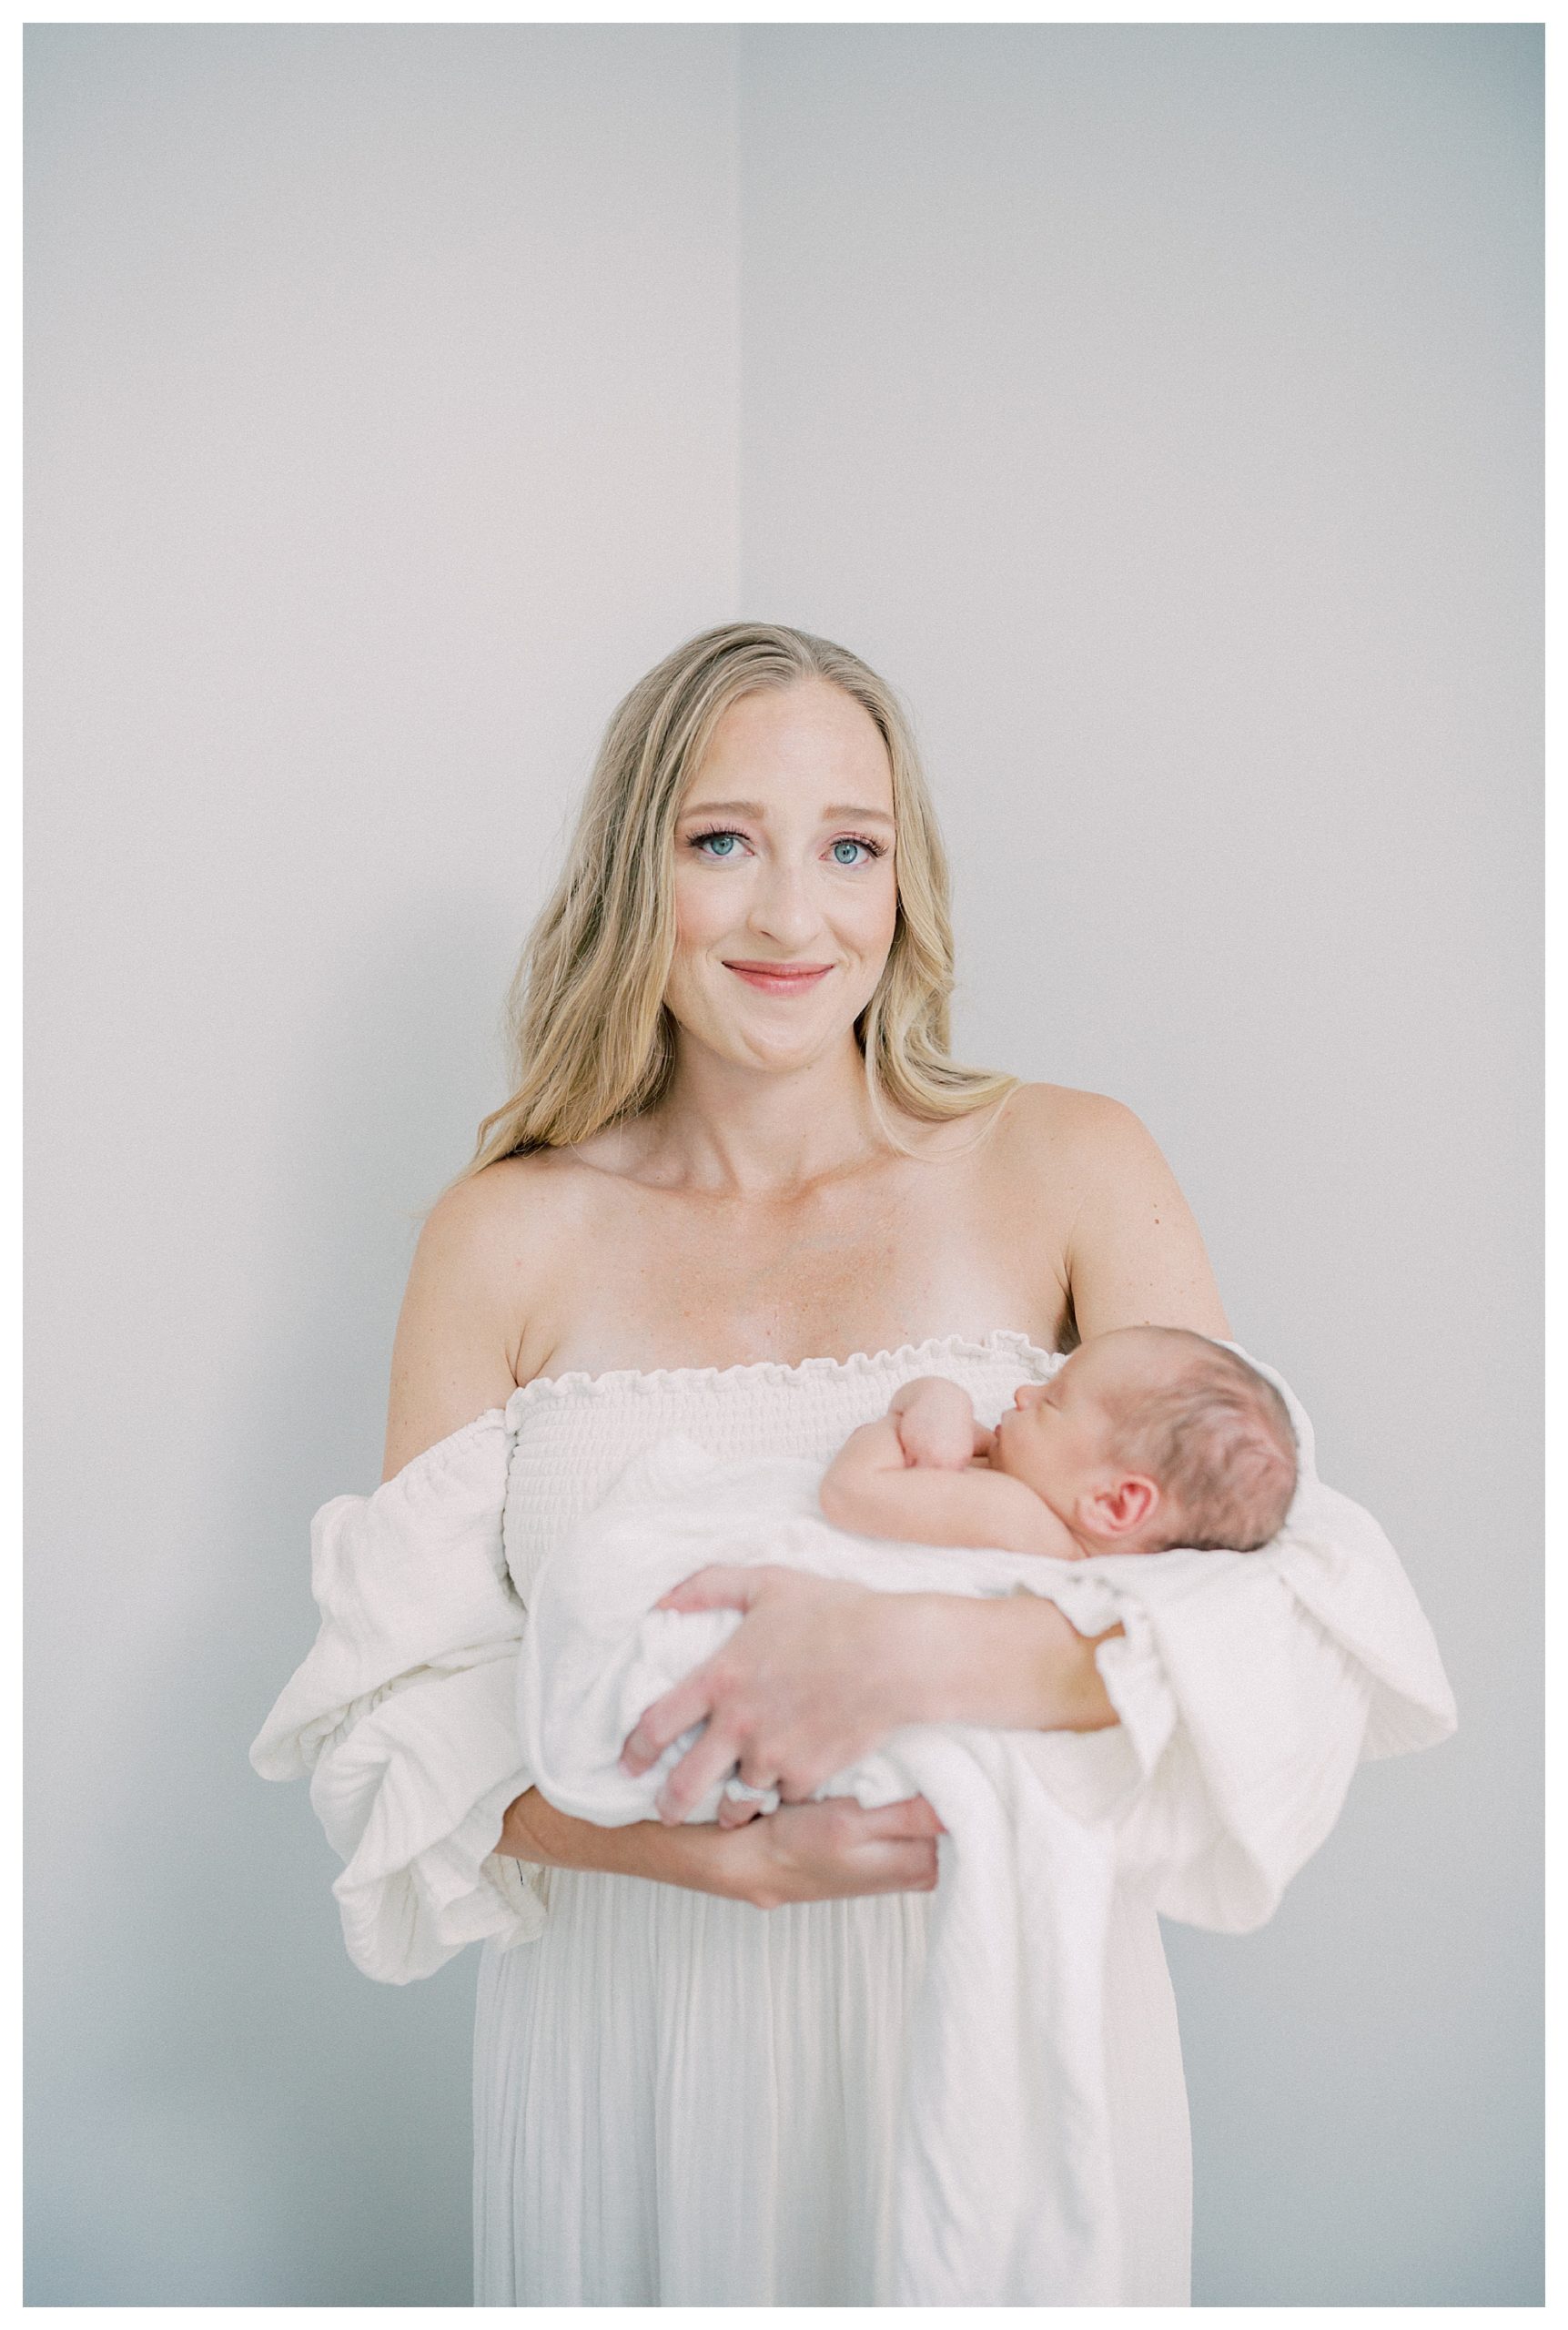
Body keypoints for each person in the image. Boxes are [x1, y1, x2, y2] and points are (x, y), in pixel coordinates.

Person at [256, 619, 1451, 2305]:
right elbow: (397, 1718)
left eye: (850, 848)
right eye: (721, 841)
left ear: (905, 881)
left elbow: (1287, 1623)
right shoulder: (499, 1239)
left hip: (999, 2021)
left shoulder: (1068, 1166)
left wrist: (906, 1652)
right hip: (639, 2034)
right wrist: (700, 1855)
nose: (790, 915)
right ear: (632, 870)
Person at [816, 1326, 1299, 1566]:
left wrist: (930, 1398)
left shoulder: (1015, 1518)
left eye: (1053, 1400)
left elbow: (849, 1493)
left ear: (1113, 1503)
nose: (1024, 1395)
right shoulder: (1042, 1509)